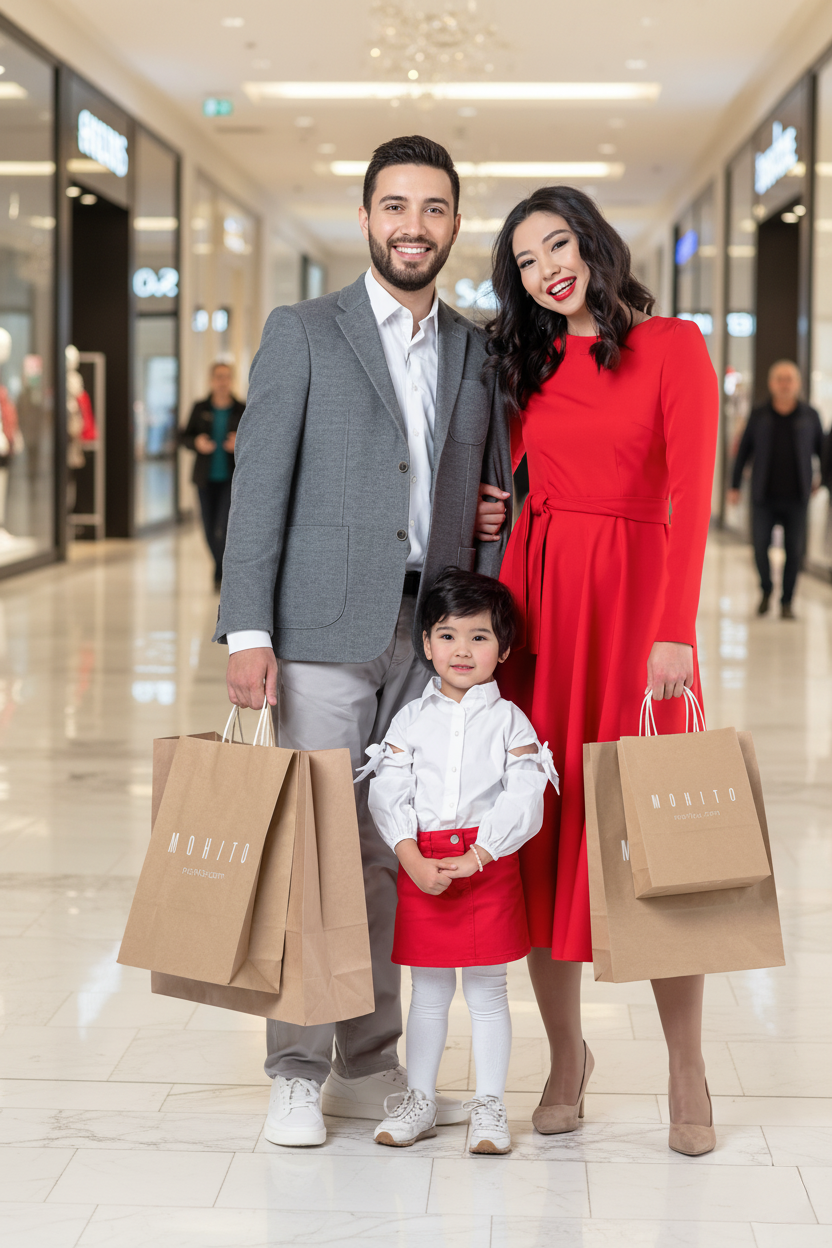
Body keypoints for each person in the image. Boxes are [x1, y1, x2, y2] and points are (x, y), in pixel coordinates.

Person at [215, 135, 511, 1148]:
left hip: (427, 636)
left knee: (391, 846)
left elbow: (483, 488)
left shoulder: (473, 349)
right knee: (313, 847)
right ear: (366, 219)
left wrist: (494, 520)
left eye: (432, 209)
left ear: (454, 225)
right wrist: (247, 629)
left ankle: (372, 1057)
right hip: (317, 630)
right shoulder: (305, 330)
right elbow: (257, 490)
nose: (412, 227)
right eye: (395, 207)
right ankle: (296, 1067)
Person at [482, 186, 719, 1156]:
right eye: (528, 261)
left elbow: (694, 492)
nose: (549, 268)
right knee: (542, 834)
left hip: (635, 613)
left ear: (593, 244)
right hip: (541, 616)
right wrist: (495, 533)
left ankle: (685, 1064)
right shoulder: (524, 364)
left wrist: (673, 628)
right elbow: (514, 489)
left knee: (654, 838)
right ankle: (565, 1054)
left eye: (559, 244)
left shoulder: (672, 345)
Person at [358, 569, 558, 1154]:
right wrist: (408, 854)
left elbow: (526, 795)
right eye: (447, 636)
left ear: (505, 647)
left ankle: (490, 1107)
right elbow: (387, 788)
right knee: (429, 991)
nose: (462, 651)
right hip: (422, 863)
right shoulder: (410, 720)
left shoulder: (510, 722)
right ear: (425, 644)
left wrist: (481, 853)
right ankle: (420, 1099)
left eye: (479, 637)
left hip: (488, 865)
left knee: (489, 990)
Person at [727, 360, 825, 619]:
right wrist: (734, 485)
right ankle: (766, 589)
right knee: (760, 547)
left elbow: (824, 453)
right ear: (771, 384)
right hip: (763, 496)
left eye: (789, 379)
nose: (784, 384)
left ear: (798, 383)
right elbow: (744, 452)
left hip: (797, 497)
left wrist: (822, 480)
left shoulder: (810, 416)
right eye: (779, 379)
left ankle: (787, 601)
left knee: (794, 551)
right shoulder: (759, 415)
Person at [180, 362, 245, 589]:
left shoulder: (241, 408)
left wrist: (239, 442)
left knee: (224, 525)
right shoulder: (200, 407)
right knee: (208, 528)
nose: (222, 381)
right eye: (218, 377)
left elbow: (256, 441)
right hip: (205, 478)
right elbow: (185, 437)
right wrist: (196, 442)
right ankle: (219, 566)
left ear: (232, 380)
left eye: (226, 377)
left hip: (230, 478)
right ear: (211, 380)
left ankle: (221, 572)